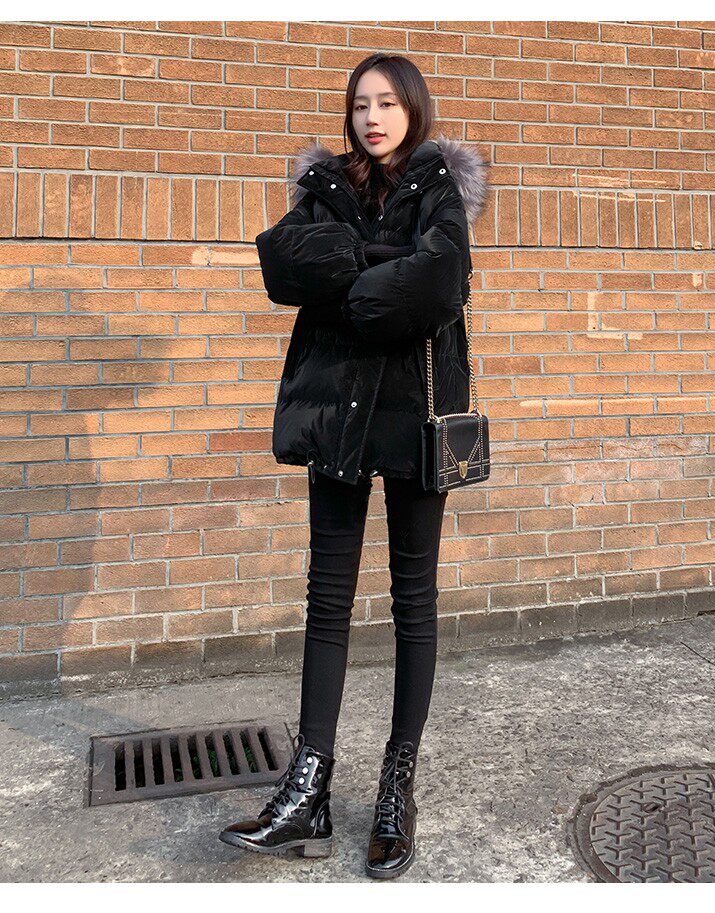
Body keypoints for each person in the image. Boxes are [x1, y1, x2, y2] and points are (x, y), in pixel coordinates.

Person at [219, 52, 489, 879]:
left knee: (414, 600)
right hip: (336, 410)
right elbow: (284, 263)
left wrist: (353, 275)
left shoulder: (439, 185)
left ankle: (396, 789)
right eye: (361, 104)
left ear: (414, 109)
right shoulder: (325, 184)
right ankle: (308, 792)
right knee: (327, 597)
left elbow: (440, 281)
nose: (373, 117)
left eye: (388, 103)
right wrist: (379, 260)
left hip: (416, 414)